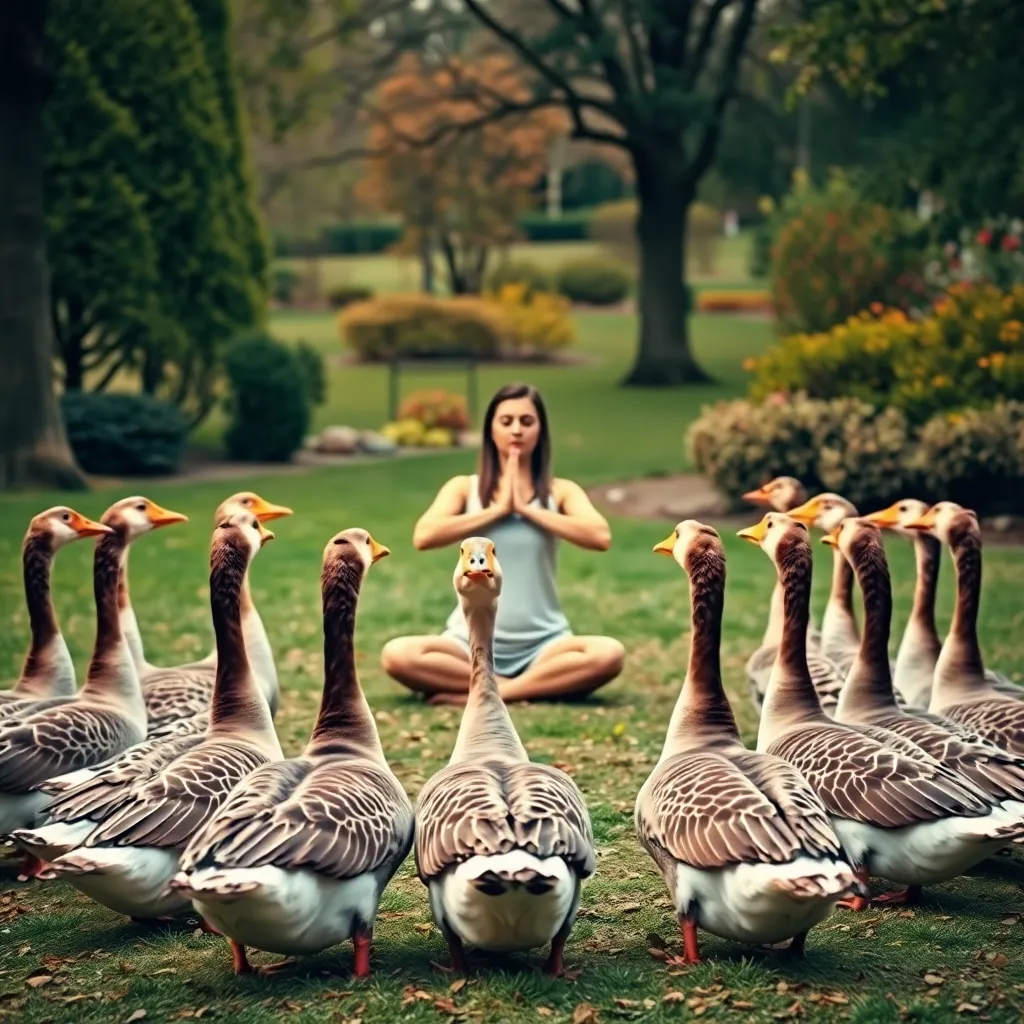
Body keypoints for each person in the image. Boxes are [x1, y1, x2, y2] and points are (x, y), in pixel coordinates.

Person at [381, 383, 625, 705]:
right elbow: (425, 536)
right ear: (490, 430)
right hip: (466, 642)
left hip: (544, 644)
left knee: (608, 654)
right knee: (398, 655)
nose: (516, 430)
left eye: (527, 421)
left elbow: (599, 536)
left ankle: (497, 691)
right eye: (506, 421)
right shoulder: (464, 489)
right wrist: (496, 511)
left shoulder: (560, 491)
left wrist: (526, 510)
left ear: (540, 430)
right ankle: (526, 685)